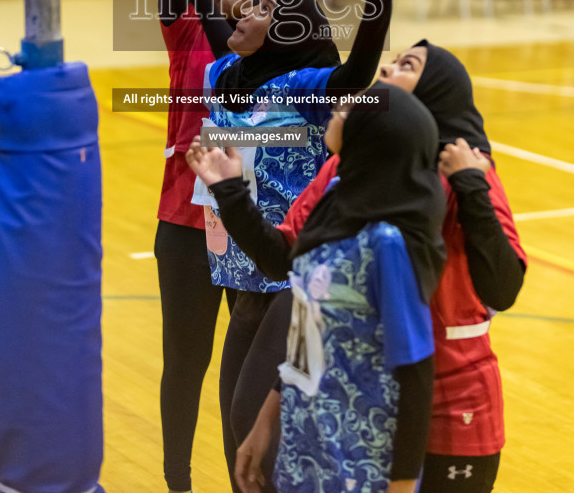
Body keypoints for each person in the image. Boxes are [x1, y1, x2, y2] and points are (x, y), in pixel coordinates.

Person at [189, 40, 526, 493]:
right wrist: (230, 192)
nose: (385, 68)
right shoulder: (341, 171)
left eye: (407, 65)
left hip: (447, 408)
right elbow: (288, 268)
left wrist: (470, 186)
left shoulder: (465, 175)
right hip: (355, 409)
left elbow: (501, 289)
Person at [174, 0, 411, 493]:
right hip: (235, 266)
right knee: (235, 422)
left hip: (285, 268)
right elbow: (217, 31)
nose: (242, 11)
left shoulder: (301, 87)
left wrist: (375, 5)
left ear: (281, 32)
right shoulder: (219, 76)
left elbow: (356, 75)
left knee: (253, 416)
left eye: (258, 9)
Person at [142, 0, 303, 493]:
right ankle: (177, 482)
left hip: (245, 229)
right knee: (186, 358)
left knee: (243, 371)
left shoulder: (273, 52)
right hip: (185, 224)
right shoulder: (189, 32)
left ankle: (241, 477)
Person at [189, 85, 447, 493]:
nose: (336, 110)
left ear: (373, 135)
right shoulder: (333, 199)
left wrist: (400, 485)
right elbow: (306, 333)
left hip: (363, 460)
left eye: (346, 110)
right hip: (305, 446)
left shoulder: (388, 244)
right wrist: (265, 423)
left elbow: (415, 375)